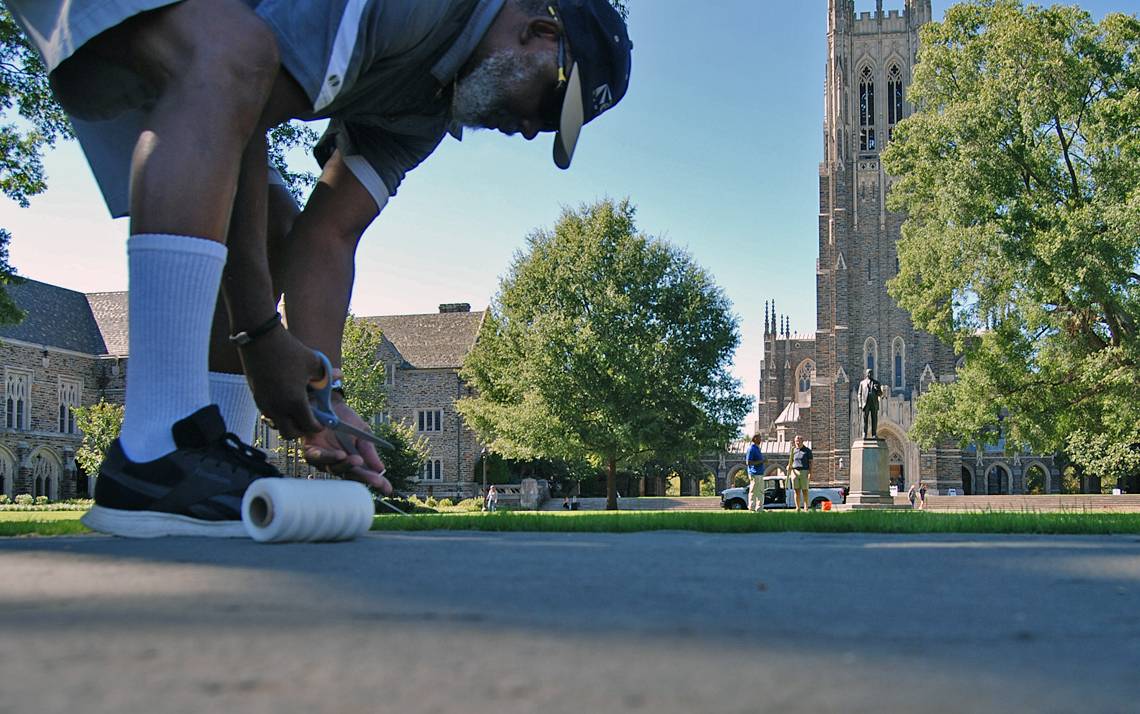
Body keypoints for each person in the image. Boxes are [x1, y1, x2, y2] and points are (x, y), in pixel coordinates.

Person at [4, 0, 632, 538]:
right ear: (542, 35)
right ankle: (157, 445)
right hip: (207, 42)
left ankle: (208, 451)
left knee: (272, 224)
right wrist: (257, 334)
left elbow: (327, 235)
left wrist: (321, 398)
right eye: (547, 108)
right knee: (235, 55)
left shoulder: (424, 111)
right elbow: (237, 102)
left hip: (199, 56)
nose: (528, 130)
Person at [857, 369, 884, 439]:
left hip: (874, 403)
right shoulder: (862, 383)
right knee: (865, 419)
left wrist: (877, 389)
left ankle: (874, 434)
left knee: (874, 419)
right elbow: (859, 394)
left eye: (871, 373)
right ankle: (864, 433)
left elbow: (880, 394)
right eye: (869, 373)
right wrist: (860, 404)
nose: (870, 374)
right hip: (865, 403)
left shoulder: (876, 383)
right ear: (866, 374)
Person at [787, 435, 812, 512]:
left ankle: (806, 507)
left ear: (802, 441)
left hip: (804, 471)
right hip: (794, 472)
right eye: (795, 441)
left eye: (798, 441)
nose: (797, 442)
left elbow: (811, 463)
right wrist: (788, 466)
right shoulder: (793, 450)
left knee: (805, 490)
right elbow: (791, 461)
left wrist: (810, 473)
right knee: (796, 490)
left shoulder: (807, 451)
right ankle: (797, 508)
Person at [745, 433, 766, 512]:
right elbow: (748, 462)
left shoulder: (758, 448)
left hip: (760, 473)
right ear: (755, 439)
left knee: (760, 491)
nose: (761, 439)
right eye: (759, 438)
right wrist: (762, 461)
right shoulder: (751, 448)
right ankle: (751, 507)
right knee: (753, 491)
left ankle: (759, 508)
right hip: (754, 473)